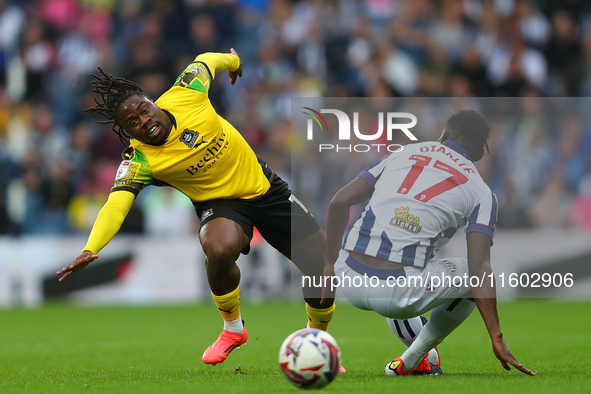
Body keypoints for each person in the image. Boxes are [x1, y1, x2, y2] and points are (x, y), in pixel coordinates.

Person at [56, 49, 338, 367]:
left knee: (322, 267)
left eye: (143, 110)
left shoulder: (186, 91)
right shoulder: (139, 161)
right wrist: (90, 247)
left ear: (152, 101)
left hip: (265, 189)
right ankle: (233, 329)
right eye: (132, 123)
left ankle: (318, 342)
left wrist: (234, 63)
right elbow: (115, 206)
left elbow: (207, 59)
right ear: (126, 132)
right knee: (217, 250)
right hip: (220, 205)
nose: (143, 121)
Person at [324, 110, 535, 376]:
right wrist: (496, 335)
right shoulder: (482, 192)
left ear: (444, 133)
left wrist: (329, 264)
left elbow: (339, 202)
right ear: (481, 152)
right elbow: (479, 266)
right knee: (470, 275)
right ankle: (411, 360)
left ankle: (422, 356)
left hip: (349, 275)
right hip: (397, 294)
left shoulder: (401, 153)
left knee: (412, 254)